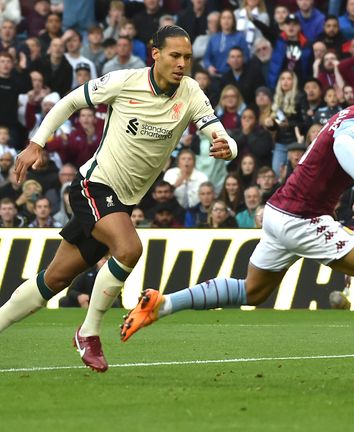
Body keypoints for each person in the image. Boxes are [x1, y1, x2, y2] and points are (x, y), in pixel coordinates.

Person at [120, 73, 354, 380]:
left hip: (279, 211)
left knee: (254, 291)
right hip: (302, 218)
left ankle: (162, 304)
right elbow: (345, 143)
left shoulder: (353, 113)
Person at [0, 26, 238, 373]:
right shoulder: (124, 82)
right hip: (93, 186)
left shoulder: (190, 92)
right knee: (129, 249)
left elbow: (220, 133)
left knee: (54, 280)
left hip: (121, 202)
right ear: (155, 54)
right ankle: (89, 332)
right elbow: (69, 101)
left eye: (187, 57)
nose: (182, 64)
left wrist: (227, 148)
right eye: (175, 55)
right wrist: (38, 143)